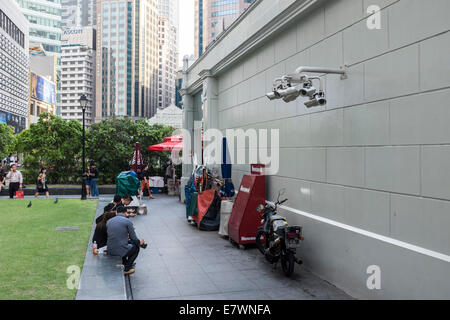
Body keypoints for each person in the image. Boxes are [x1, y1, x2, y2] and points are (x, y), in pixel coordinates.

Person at [106, 208, 147, 275]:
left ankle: (125, 263)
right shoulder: (127, 221)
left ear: (116, 212)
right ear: (125, 213)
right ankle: (127, 268)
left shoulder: (109, 221)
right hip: (120, 249)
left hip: (110, 249)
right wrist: (140, 243)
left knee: (126, 244)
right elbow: (133, 238)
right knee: (136, 248)